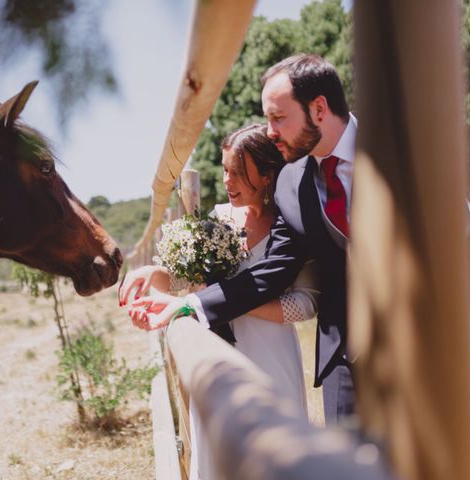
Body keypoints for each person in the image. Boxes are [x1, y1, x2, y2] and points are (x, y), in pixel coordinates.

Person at [124, 54, 357, 426]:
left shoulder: (396, 149)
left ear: (318, 109)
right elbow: (272, 274)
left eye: (278, 118)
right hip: (344, 355)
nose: (269, 131)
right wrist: (186, 303)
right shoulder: (292, 185)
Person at [121, 123, 318, 480]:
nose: (228, 181)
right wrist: (154, 273)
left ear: (269, 174)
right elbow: (187, 277)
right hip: (216, 349)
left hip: (272, 356)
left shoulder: (290, 226)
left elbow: (305, 304)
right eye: (225, 169)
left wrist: (231, 300)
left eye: (239, 173)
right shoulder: (216, 219)